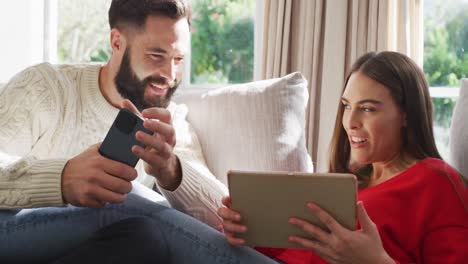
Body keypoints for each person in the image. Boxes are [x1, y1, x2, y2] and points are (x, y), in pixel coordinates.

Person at [0, 0, 228, 262]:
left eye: (178, 59)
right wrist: (62, 178)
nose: (170, 74)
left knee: (143, 238)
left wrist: (171, 171)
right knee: (124, 201)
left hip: (87, 250)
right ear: (117, 42)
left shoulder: (169, 121)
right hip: (11, 230)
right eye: (156, 56)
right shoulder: (46, 87)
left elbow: (218, 217)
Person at [218, 51, 468, 263]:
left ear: (406, 115)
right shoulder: (346, 184)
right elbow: (295, 248)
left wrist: (376, 261)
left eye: (368, 109)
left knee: (176, 224)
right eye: (347, 106)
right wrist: (247, 230)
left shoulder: (436, 182)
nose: (350, 122)